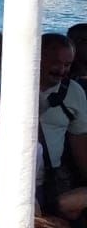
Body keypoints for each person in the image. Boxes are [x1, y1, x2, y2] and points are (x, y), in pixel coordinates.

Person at [40, 32, 87, 207]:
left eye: (67, 65)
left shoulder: (74, 92)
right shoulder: (2, 80)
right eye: (55, 63)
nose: (61, 70)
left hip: (50, 178)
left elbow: (79, 142)